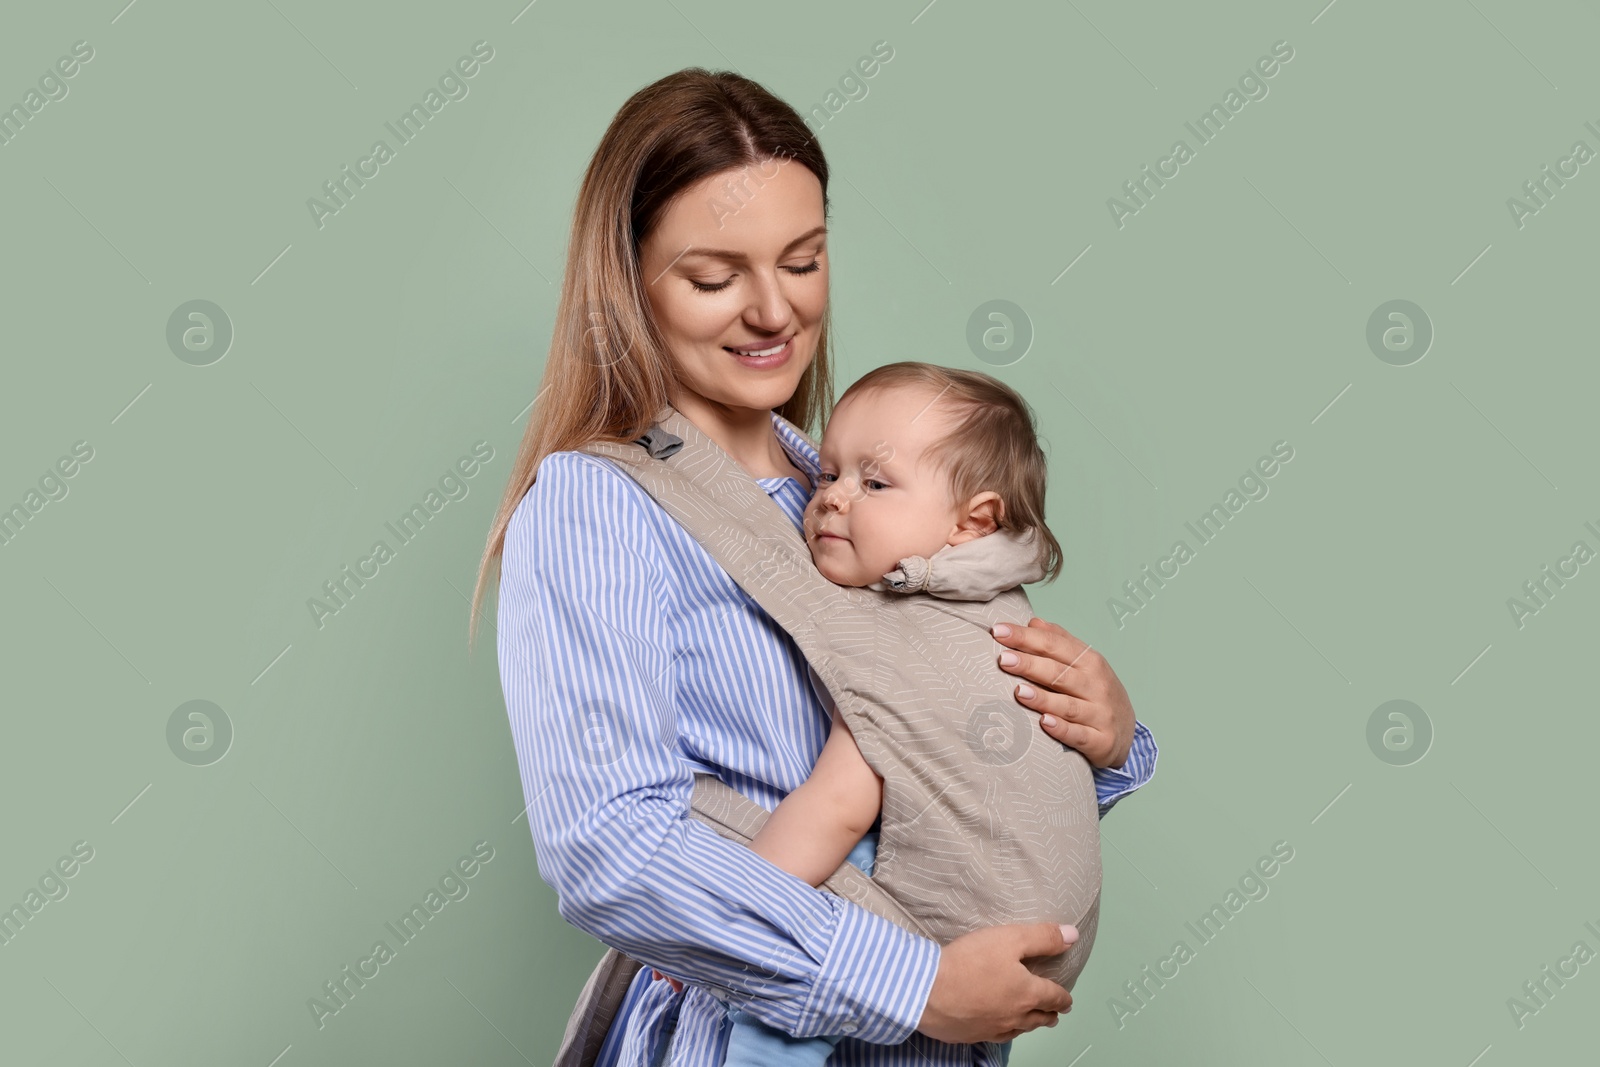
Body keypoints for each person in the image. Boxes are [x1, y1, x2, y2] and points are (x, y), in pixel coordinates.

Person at [472, 68, 1159, 1067]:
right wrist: (913, 984)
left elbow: (937, 781)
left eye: (802, 260)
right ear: (627, 280)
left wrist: (1104, 736)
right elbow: (609, 850)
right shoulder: (599, 504)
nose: (770, 311)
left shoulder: (856, 495)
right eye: (714, 277)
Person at [716, 361, 1094, 1067]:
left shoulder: (899, 639)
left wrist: (723, 923)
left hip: (963, 935)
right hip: (1032, 947)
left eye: (875, 483)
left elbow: (836, 807)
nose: (833, 499)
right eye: (826, 475)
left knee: (792, 949)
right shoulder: (1000, 606)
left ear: (971, 521)